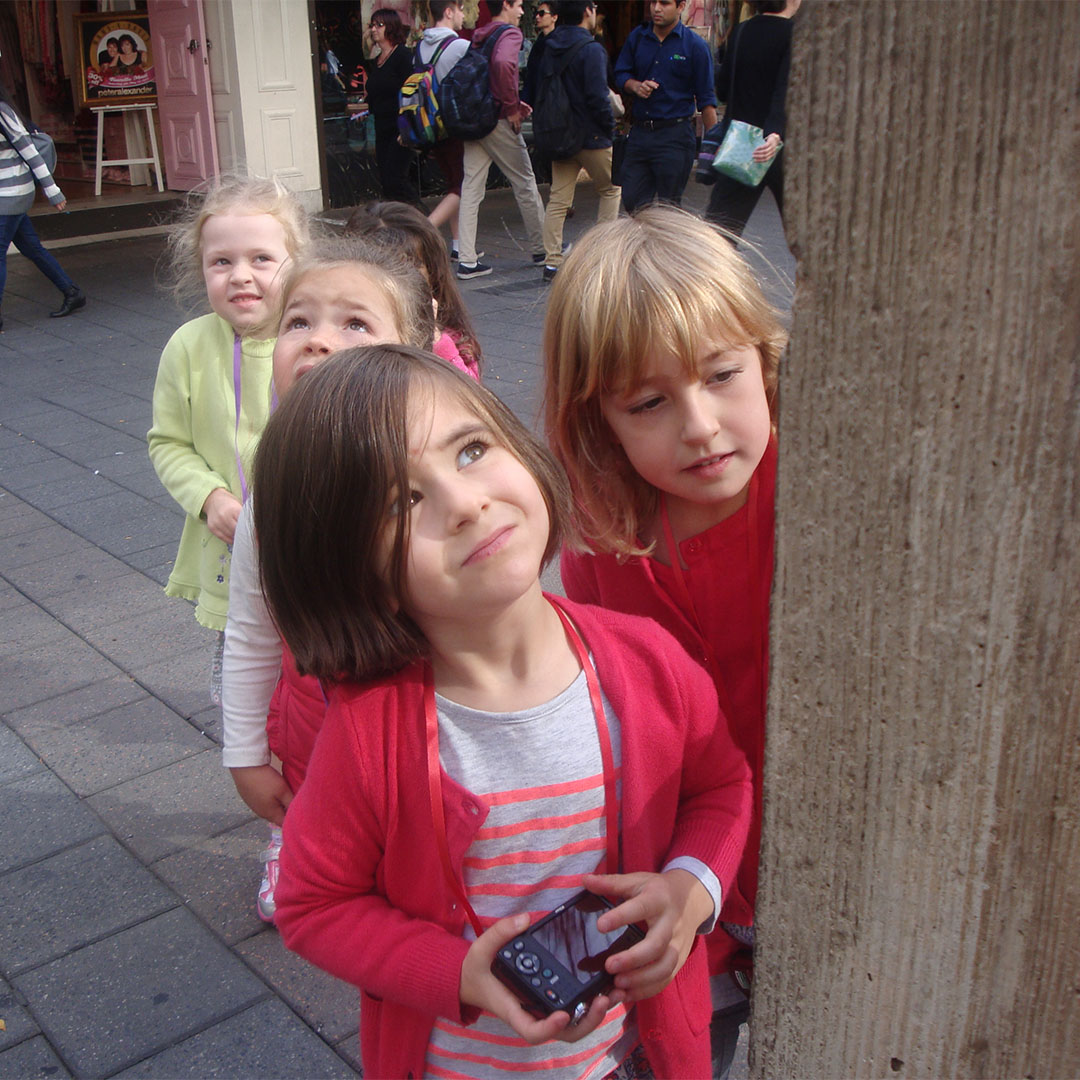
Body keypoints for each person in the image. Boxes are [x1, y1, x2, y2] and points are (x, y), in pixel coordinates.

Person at [252, 343, 752, 1077]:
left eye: (472, 449)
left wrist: (690, 889)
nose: (464, 504)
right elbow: (312, 904)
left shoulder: (648, 662)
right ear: (349, 567)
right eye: (400, 502)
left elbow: (722, 785)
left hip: (635, 1054)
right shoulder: (369, 736)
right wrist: (456, 972)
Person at [542, 205, 784, 1078]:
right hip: (693, 867)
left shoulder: (812, 491)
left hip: (811, 847)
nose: (701, 425)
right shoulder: (603, 539)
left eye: (722, 375)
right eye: (649, 401)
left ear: (765, 358)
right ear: (598, 420)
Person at [221, 238, 462, 924]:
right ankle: (294, 842)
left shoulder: (441, 475)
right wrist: (244, 753)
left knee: (421, 835)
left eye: (354, 324)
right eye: (298, 321)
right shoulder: (273, 493)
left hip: (433, 716)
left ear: (410, 351)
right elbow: (250, 628)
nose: (318, 341)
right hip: (313, 720)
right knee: (312, 806)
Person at [147, 175, 308, 693]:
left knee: (323, 682)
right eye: (222, 262)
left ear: (297, 263)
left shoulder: (318, 340)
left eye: (261, 258)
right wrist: (208, 497)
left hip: (317, 550)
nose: (240, 275)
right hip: (232, 552)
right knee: (243, 690)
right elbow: (168, 442)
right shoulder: (187, 347)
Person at [455, 0, 547, 280]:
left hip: (475, 120)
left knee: (471, 187)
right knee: (525, 181)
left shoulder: (481, 34)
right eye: (518, 5)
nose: (522, 12)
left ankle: (467, 260)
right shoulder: (509, 33)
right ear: (505, 5)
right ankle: (542, 247)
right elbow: (503, 63)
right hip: (498, 119)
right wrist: (511, 107)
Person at [344, 200, 482, 377]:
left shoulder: (452, 338)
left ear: (433, 274)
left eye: (412, 266)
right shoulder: (340, 334)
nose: (398, 281)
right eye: (382, 270)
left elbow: (468, 395)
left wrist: (436, 341)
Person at [538, 1, 620, 283]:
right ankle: (601, 255)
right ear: (588, 11)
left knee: (559, 198)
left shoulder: (549, 46)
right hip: (592, 135)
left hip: (560, 133)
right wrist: (610, 127)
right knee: (611, 189)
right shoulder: (592, 49)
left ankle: (552, 262)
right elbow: (598, 96)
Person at [613, 0, 717, 212]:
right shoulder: (638, 38)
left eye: (665, 3)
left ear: (681, 6)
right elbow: (620, 74)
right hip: (641, 133)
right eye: (653, 2)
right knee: (633, 202)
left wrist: (714, 148)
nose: (656, 9)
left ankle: (667, 243)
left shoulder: (695, 46)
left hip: (675, 136)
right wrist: (635, 86)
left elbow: (707, 100)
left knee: (669, 208)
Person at [705, 0, 797, 236]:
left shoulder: (741, 31)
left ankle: (707, 274)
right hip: (784, 149)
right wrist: (774, 132)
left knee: (719, 235)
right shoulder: (796, 35)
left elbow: (723, 89)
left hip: (742, 146)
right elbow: (786, 89)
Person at [0, 85, 85, 331]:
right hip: (6, 194)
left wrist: (52, 190)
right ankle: (72, 291)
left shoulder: (3, 112)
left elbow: (31, 153)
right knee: (32, 247)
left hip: (12, 194)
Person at [416, 0, 470, 257]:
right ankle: (422, 231)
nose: (463, 16)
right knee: (463, 186)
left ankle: (459, 245)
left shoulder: (420, 47)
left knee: (454, 183)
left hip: (431, 125)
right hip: (455, 124)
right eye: (460, 10)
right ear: (448, 12)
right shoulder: (459, 46)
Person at [363, 8, 419, 204]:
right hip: (381, 126)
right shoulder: (377, 60)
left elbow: (412, 91)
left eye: (379, 25)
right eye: (372, 25)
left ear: (391, 28)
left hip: (399, 126)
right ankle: (401, 226)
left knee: (397, 180)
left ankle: (424, 223)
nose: (374, 30)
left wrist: (408, 127)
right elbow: (377, 92)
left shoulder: (402, 56)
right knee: (387, 181)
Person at [521, 0, 558, 108]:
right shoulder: (538, 45)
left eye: (542, 13)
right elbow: (531, 75)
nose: (537, 17)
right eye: (535, 14)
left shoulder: (559, 44)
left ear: (554, 17)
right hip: (537, 101)